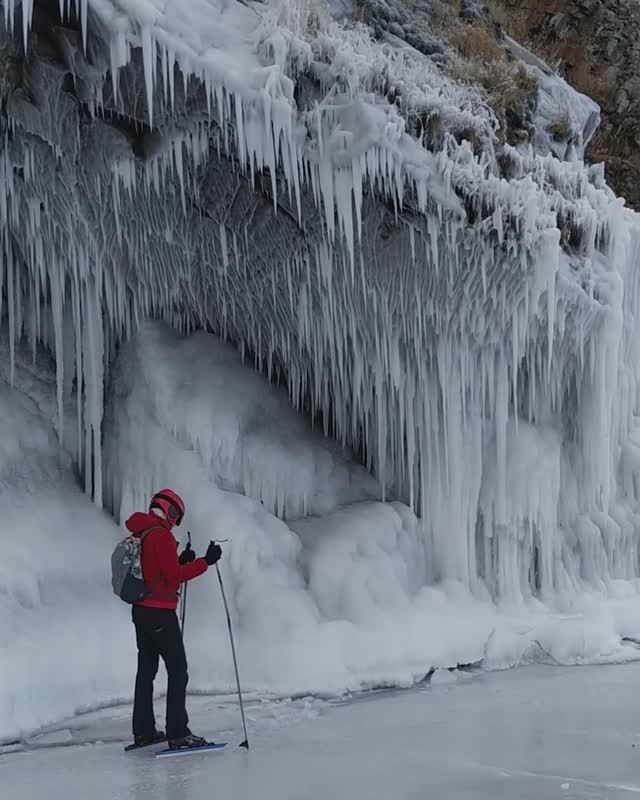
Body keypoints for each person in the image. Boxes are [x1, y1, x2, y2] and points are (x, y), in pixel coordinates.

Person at [125, 488, 222, 750]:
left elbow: (157, 571)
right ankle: (178, 733)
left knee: (146, 672)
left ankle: (143, 732)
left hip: (141, 611)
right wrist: (205, 562)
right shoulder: (162, 536)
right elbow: (172, 577)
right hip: (160, 613)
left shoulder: (142, 532)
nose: (175, 520)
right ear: (168, 509)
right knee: (178, 670)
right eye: (175, 513)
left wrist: (181, 560)